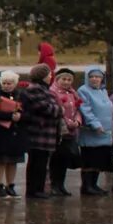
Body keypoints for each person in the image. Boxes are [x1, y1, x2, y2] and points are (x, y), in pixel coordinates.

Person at [16, 64, 62, 201]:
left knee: (41, 163)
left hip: (45, 133)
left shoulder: (44, 90)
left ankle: (38, 189)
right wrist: (60, 110)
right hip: (38, 133)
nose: (50, 77)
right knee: (37, 163)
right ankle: (34, 190)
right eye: (48, 74)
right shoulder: (35, 90)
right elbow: (48, 109)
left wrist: (57, 109)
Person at [0, 70, 25, 198]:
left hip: (16, 132)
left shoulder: (20, 95)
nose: (7, 85)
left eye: (10, 83)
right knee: (0, 160)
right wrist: (9, 116)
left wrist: (21, 116)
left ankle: (11, 185)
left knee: (13, 161)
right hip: (0, 132)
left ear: (15, 84)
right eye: (4, 83)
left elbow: (28, 112)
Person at [77, 65, 113, 195]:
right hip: (91, 131)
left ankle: (94, 184)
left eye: (97, 77)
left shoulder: (103, 91)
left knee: (99, 159)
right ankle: (87, 186)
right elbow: (86, 109)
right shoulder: (83, 90)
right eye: (91, 77)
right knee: (89, 159)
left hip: (105, 132)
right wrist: (95, 124)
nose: (94, 79)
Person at [48, 69, 83, 197]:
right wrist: (68, 122)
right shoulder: (52, 92)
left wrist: (77, 121)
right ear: (57, 79)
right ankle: (54, 185)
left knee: (64, 159)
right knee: (56, 159)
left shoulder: (73, 93)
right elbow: (58, 111)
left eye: (69, 80)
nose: (66, 82)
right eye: (64, 79)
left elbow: (78, 110)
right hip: (59, 131)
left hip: (72, 131)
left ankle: (61, 185)